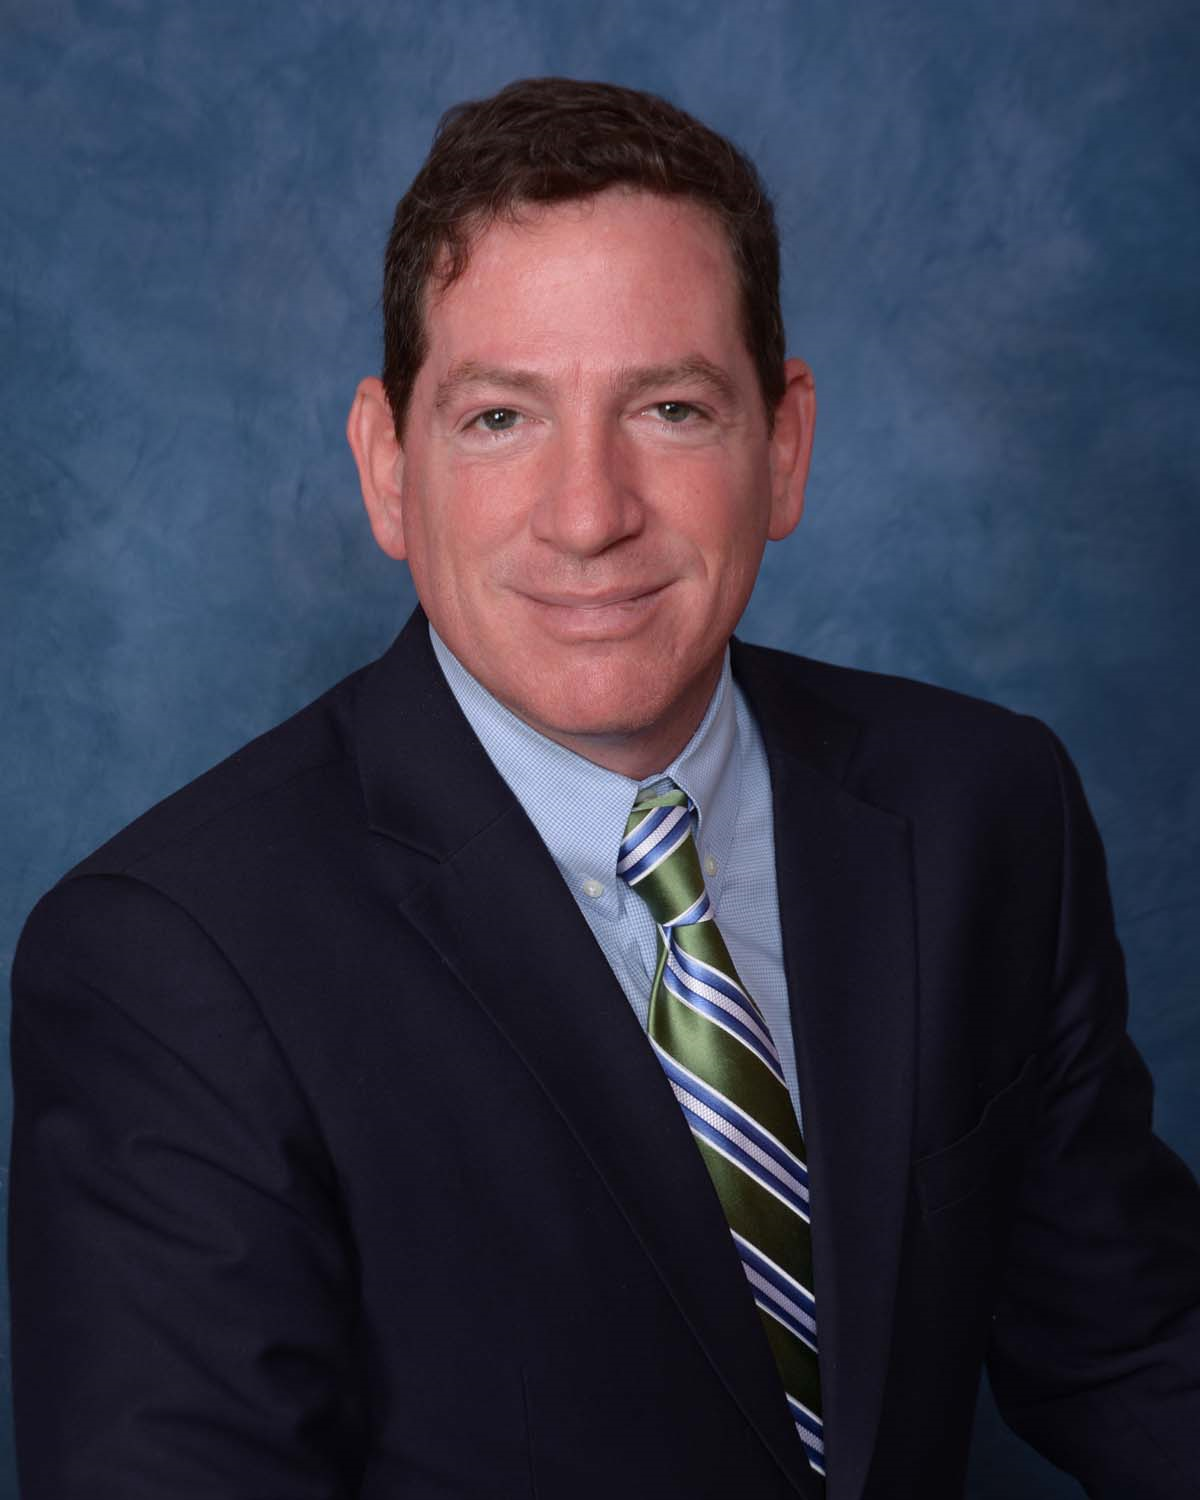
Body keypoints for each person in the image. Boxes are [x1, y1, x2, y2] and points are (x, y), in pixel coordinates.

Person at [9, 77, 1200, 1500]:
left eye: (672, 408)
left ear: (784, 446)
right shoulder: (172, 963)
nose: (590, 514)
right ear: (388, 468)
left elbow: (1136, 1350)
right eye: (500, 418)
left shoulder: (980, 812)